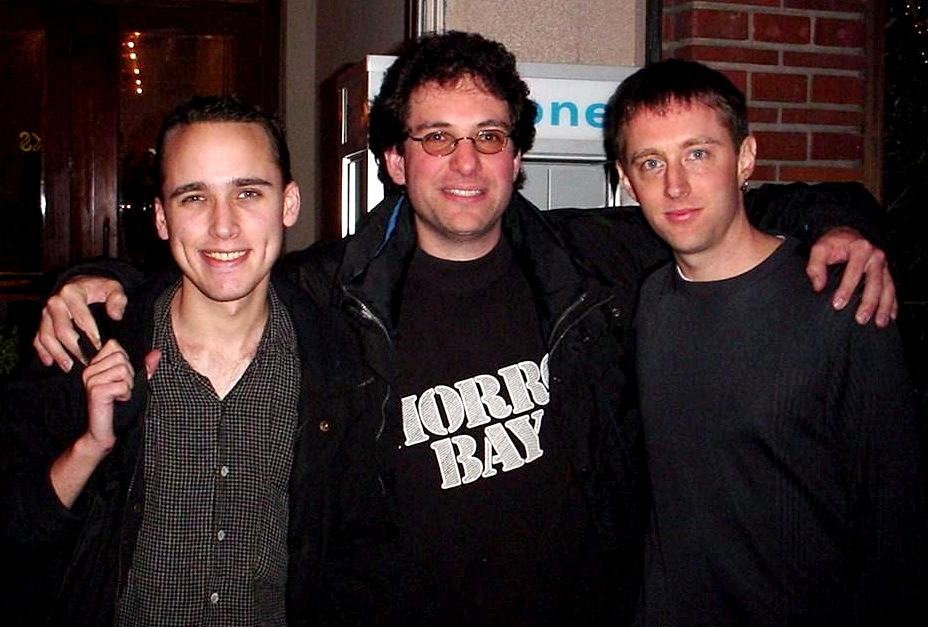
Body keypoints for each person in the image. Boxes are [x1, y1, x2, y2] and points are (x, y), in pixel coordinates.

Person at [30, 33, 898, 626]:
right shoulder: (327, 290)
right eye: (437, 140)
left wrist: (842, 220)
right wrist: (84, 285)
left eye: (489, 136)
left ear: (518, 155)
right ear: (396, 161)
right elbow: (211, 267)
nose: (467, 163)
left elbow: (737, 209)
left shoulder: (592, 258)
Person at [0, 95, 349, 626]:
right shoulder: (82, 346)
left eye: (248, 193)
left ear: (289, 204)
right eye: (194, 198)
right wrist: (89, 449)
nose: (224, 226)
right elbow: (13, 531)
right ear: (162, 218)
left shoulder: (338, 361)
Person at [605, 58, 925, 626]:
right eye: (651, 162)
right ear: (627, 181)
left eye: (698, 153)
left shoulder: (841, 300)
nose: (675, 184)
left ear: (746, 158)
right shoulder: (646, 303)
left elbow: (893, 534)